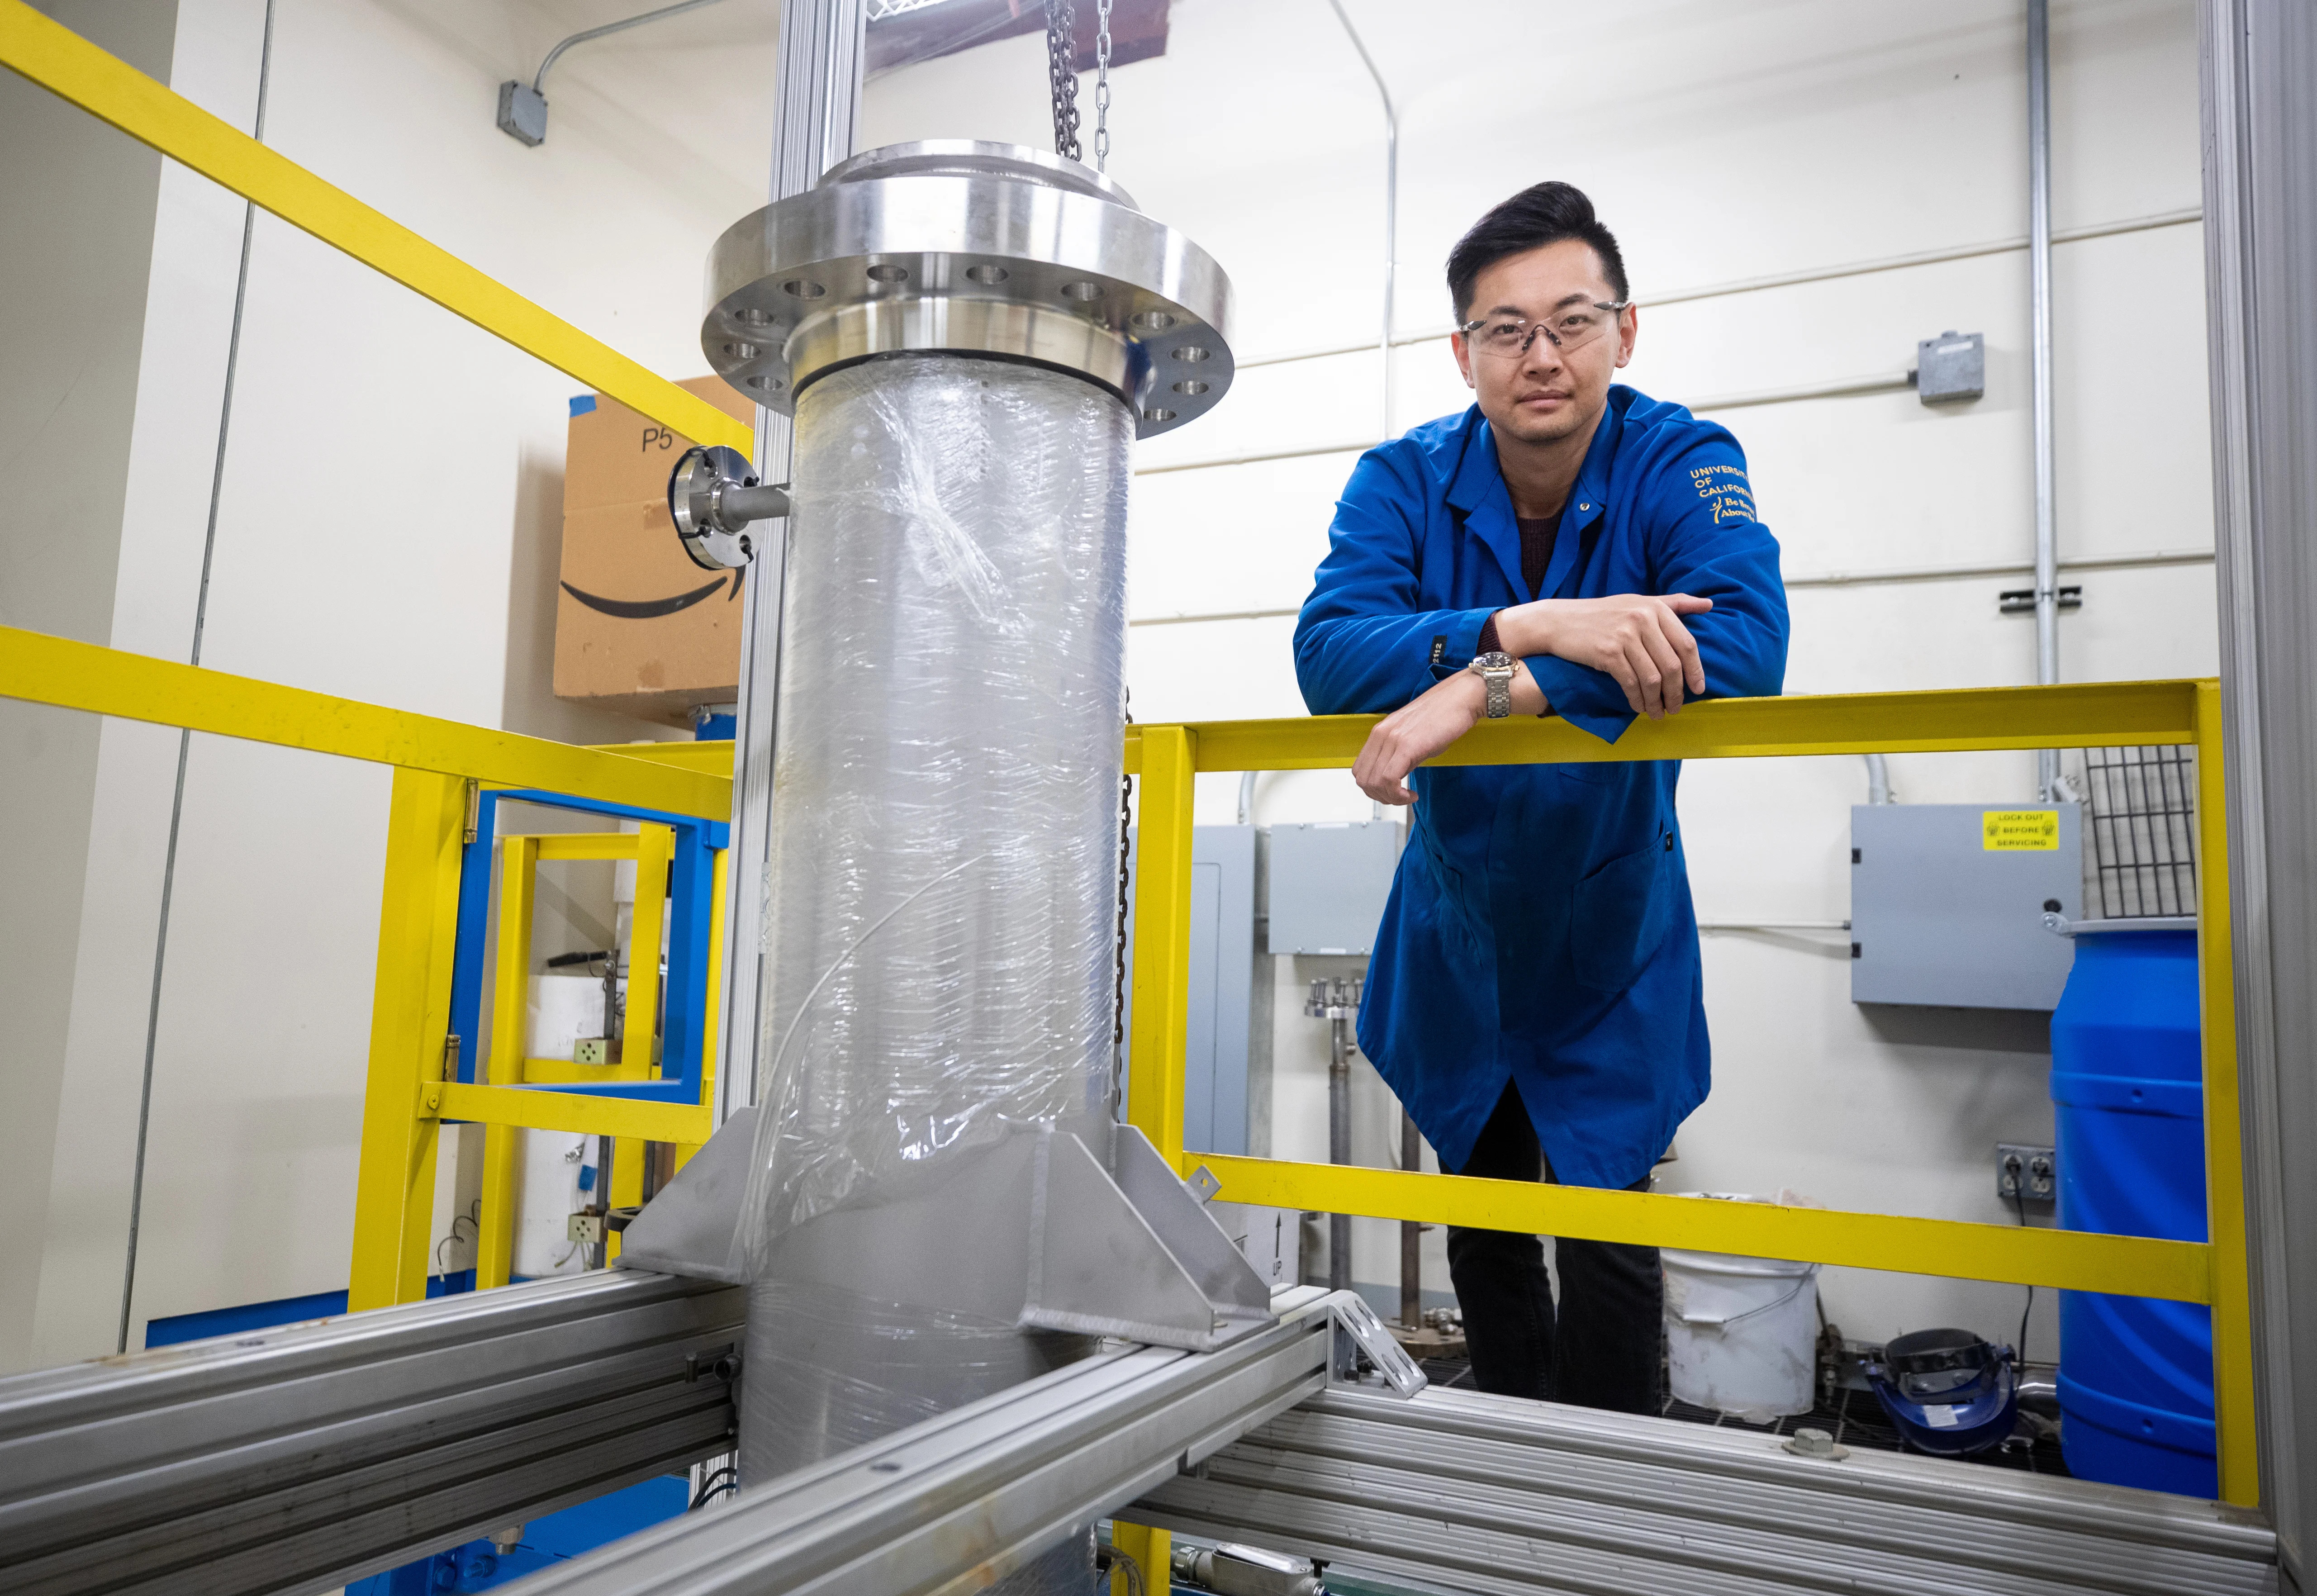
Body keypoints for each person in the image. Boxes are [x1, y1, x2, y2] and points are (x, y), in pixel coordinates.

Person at [1291, 181, 1790, 1411]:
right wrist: (1527, 624)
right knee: (1483, 1224)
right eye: (1506, 330)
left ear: (1626, 331)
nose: (1543, 355)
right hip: (1461, 932)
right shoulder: (1402, 481)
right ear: (1464, 354)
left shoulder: (1678, 458)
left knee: (1608, 1234)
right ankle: (1502, 1478)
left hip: (1611, 931)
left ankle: (1612, 1501)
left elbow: (1744, 649)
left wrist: (1481, 686)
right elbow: (1328, 654)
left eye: (1573, 319)